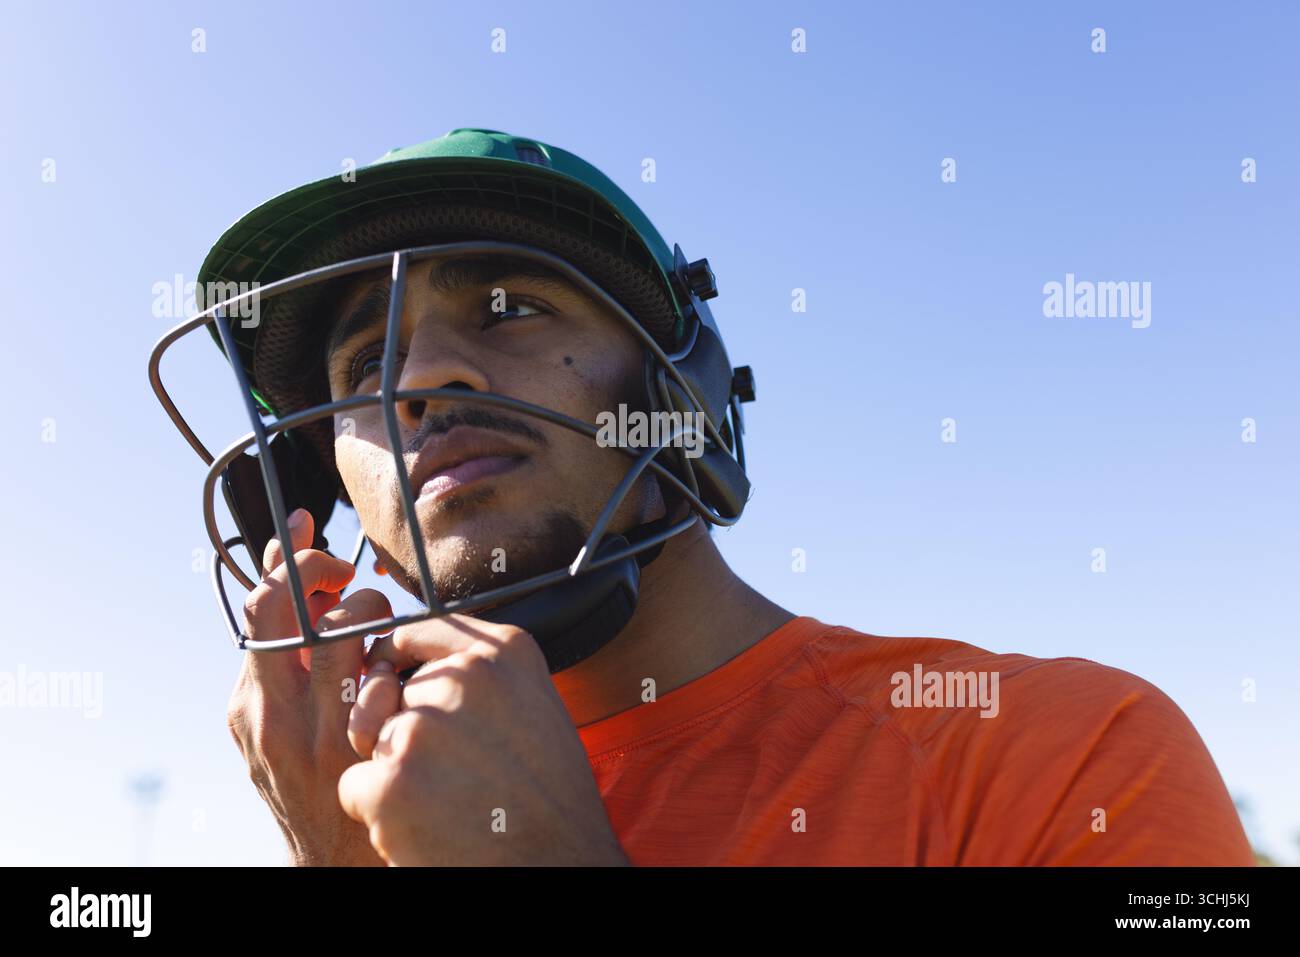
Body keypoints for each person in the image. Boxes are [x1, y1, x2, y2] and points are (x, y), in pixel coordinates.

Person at [157, 129, 1255, 866]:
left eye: (508, 310)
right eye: (362, 372)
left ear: (680, 394)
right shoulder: (350, 816)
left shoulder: (1057, 752)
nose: (422, 384)